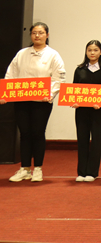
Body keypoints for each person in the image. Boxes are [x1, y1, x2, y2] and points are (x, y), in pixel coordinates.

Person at [3, 22, 66, 183]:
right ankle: (24, 169)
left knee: (38, 133)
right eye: (34, 33)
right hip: (22, 100)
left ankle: (38, 168)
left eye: (41, 32)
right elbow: (11, 74)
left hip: (42, 102)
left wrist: (50, 94)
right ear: (30, 35)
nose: (37, 36)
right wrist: (5, 93)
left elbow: (59, 78)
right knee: (24, 134)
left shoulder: (53, 55)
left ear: (47, 35)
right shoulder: (21, 54)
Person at [72, 40, 101, 182]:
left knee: (96, 140)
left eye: (95, 50)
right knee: (82, 139)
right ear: (86, 52)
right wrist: (75, 101)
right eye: (89, 50)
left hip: (98, 111)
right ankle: (81, 172)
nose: (92, 53)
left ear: (100, 52)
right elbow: (74, 90)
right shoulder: (79, 70)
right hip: (81, 111)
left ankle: (92, 172)